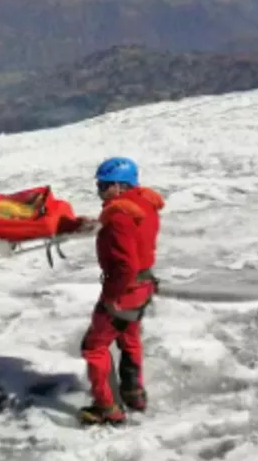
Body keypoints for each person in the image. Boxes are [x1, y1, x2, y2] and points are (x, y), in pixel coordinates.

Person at [72, 156, 165, 426]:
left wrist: (112, 298)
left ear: (119, 185)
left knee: (94, 346)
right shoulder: (144, 203)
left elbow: (126, 264)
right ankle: (134, 394)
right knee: (128, 337)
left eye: (103, 185)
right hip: (143, 286)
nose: (99, 190)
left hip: (124, 290)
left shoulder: (119, 216)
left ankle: (107, 407)